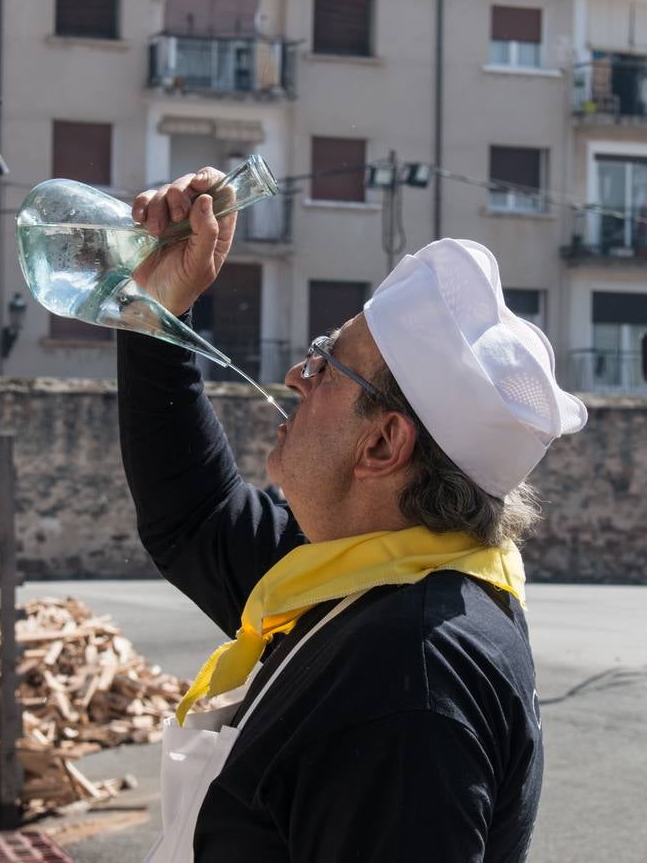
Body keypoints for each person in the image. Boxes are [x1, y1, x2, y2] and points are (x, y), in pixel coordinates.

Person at [118, 168, 588, 863]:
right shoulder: (373, 578)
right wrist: (158, 308)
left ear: (382, 442)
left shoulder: (411, 673)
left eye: (327, 364)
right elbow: (195, 518)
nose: (295, 378)